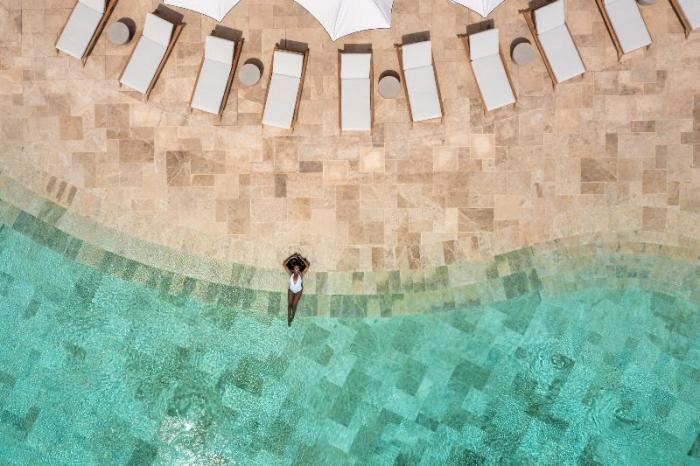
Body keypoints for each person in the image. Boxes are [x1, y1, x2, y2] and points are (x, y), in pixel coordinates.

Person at [283, 253, 310, 326]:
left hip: (298, 291)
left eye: (298, 268)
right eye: (295, 268)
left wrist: (301, 257)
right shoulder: (290, 274)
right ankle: (289, 319)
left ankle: (293, 316)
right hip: (291, 290)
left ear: (299, 269)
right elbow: (284, 264)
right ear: (293, 269)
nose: (297, 270)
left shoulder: (301, 274)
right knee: (289, 305)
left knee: (294, 305)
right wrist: (292, 257)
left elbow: (307, 266)